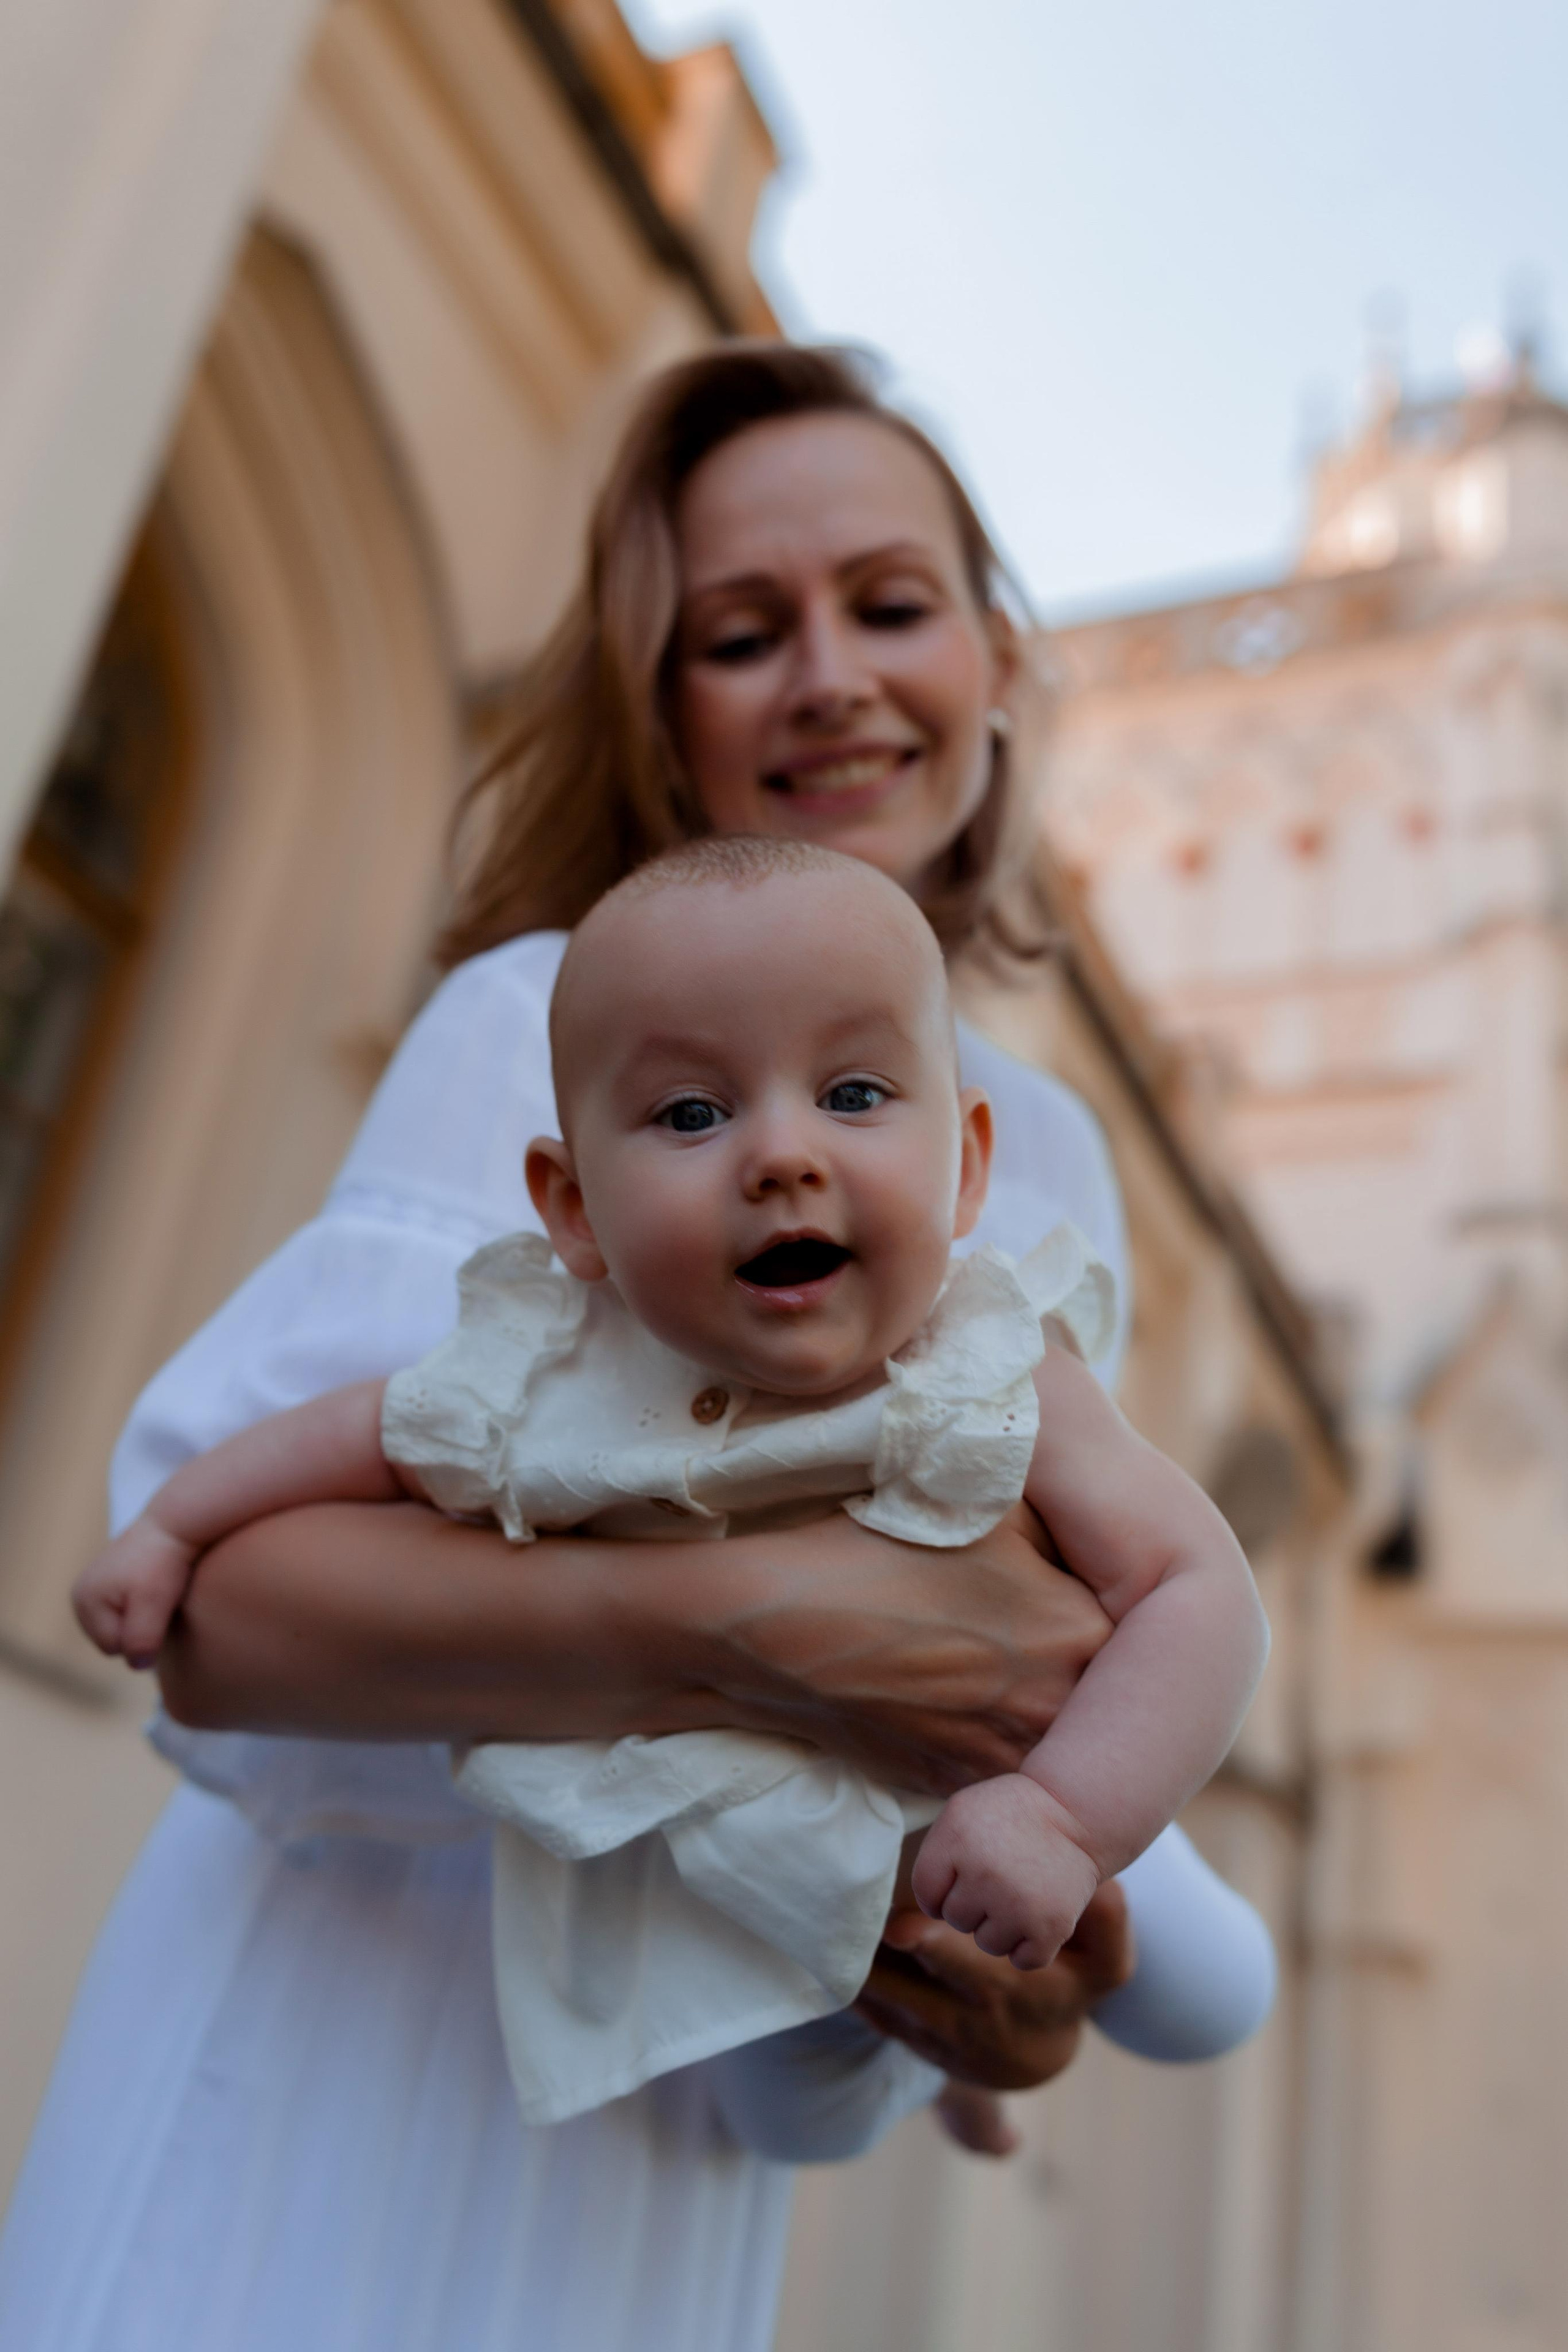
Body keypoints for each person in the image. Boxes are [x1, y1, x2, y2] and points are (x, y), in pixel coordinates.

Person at [0, 345, 1275, 2352]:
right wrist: (767, 1622)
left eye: (891, 603)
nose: (830, 677)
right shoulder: (547, 1022)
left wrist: (985, 2006)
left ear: (999, 656)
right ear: (660, 704)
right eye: (742, 631)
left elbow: (1038, 1713)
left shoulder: (1057, 1160)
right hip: (350, 2097)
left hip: (679, 2156)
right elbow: (225, 1620)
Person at [75, 837, 1269, 2145]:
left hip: (1033, 1785)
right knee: (795, 2111)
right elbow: (363, 1432)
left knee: (1208, 1995)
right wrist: (176, 1525)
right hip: (761, 1875)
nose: (779, 1155)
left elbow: (1194, 1586)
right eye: (691, 1116)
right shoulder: (554, 1373)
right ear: (573, 1208)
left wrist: (1063, 1814)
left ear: (968, 1168)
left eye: (854, 1093)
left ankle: (1008, 2029)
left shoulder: (991, 1362)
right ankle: (947, 2073)